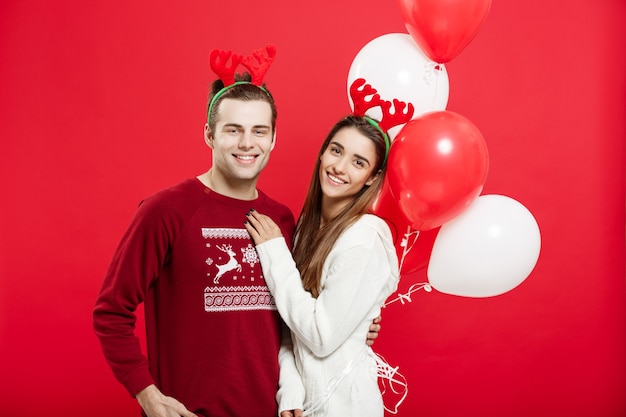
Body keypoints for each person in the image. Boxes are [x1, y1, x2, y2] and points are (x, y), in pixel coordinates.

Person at [92, 46, 380, 417]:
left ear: (273, 138)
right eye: (233, 130)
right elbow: (111, 312)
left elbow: (299, 315)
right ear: (209, 135)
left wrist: (358, 322)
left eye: (259, 131)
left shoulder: (282, 219)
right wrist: (148, 394)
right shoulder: (166, 210)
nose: (247, 143)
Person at [244, 80, 413, 417]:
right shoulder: (308, 229)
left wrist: (275, 253)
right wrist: (290, 387)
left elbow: (320, 336)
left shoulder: (363, 239)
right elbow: (291, 324)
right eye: (336, 151)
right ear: (323, 152)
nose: (339, 167)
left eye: (358, 162)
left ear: (371, 178)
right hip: (308, 406)